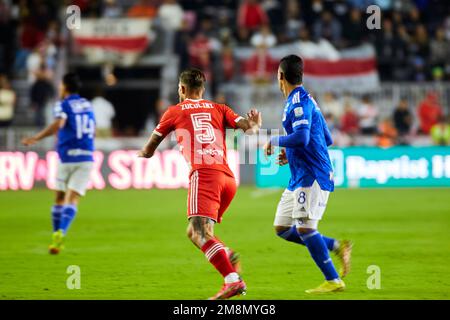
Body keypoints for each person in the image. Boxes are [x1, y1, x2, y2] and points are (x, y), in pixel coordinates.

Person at [138, 68, 262, 300]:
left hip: (205, 175)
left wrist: (140, 155)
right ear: (203, 89)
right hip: (228, 179)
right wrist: (255, 125)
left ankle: (232, 281)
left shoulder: (173, 111)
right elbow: (250, 129)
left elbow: (149, 149)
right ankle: (227, 254)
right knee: (196, 233)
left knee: (199, 233)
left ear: (182, 89)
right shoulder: (219, 108)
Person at [263, 55, 352, 294]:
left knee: (304, 228)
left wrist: (275, 140)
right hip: (299, 176)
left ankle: (333, 280)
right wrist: (290, 153)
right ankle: (336, 245)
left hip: (312, 175)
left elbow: (302, 138)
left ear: (280, 76)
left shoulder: (299, 103)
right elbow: (328, 138)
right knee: (282, 228)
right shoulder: (304, 100)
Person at [22, 73, 95, 255]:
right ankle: (61, 232)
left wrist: (36, 137)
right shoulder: (87, 104)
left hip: (67, 155)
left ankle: (56, 234)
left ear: (64, 86)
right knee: (73, 199)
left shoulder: (62, 104)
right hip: (86, 156)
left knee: (59, 198)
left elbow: (59, 124)